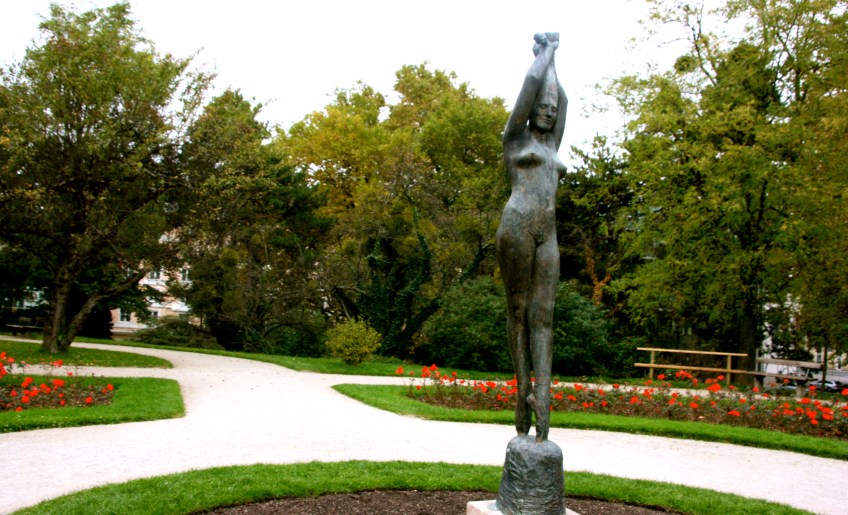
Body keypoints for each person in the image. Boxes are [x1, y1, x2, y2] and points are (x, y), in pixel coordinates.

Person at [496, 32, 567, 442]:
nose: (547, 111)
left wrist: (554, 66)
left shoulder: (553, 142)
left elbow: (566, 101)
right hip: (518, 226)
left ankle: (543, 398)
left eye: (551, 108)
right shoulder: (516, 139)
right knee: (519, 311)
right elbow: (528, 89)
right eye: (541, 106)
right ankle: (522, 392)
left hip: (548, 233)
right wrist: (546, 52)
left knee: (544, 316)